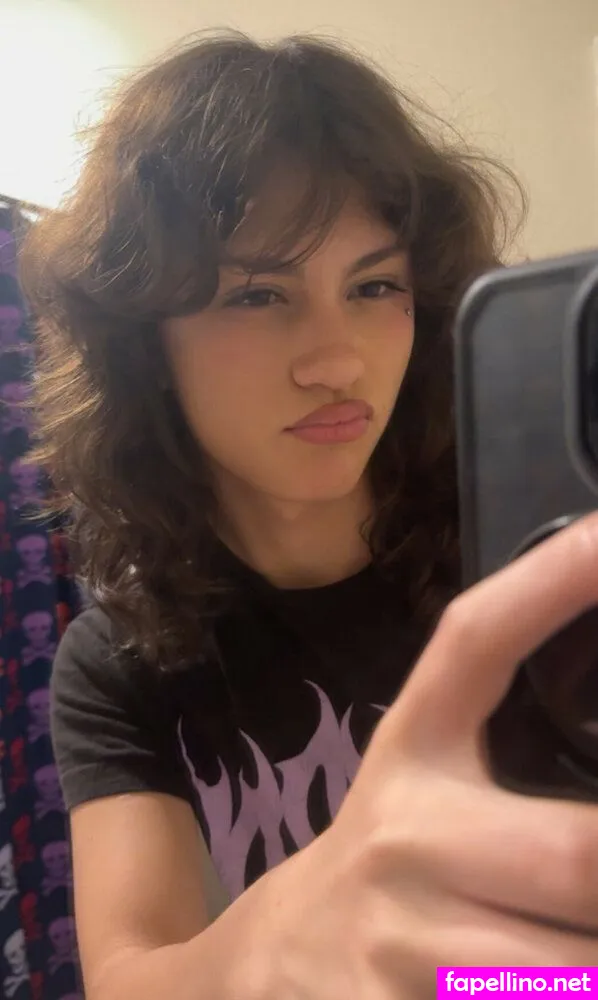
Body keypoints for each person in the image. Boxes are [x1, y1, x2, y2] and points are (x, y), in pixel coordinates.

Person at [20, 30, 598, 1000]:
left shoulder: (519, 554)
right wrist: (286, 937)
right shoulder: (121, 659)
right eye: (257, 294)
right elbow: (127, 977)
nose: (336, 359)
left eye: (374, 286)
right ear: (144, 346)